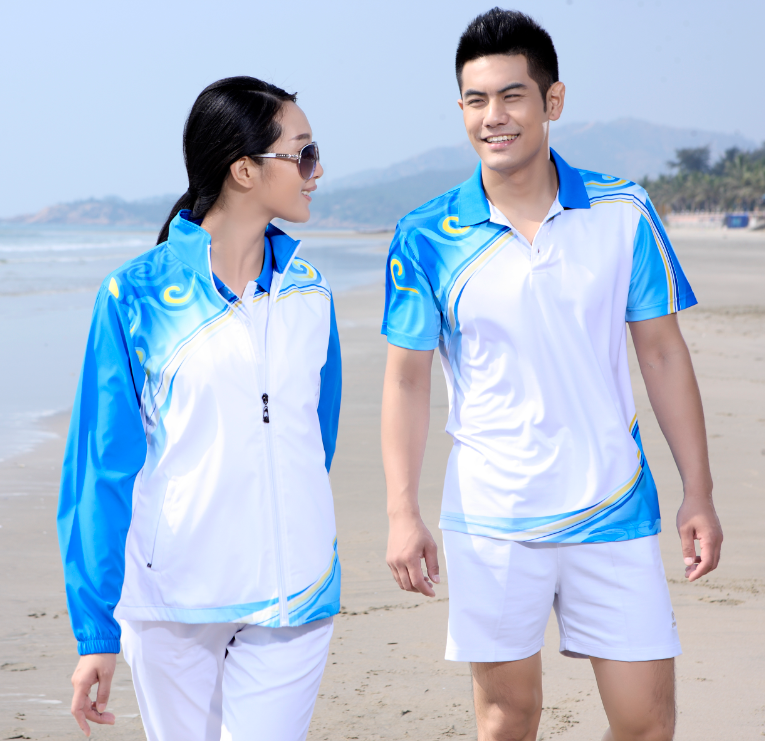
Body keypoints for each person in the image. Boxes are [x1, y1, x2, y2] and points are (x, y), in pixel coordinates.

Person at [380, 9, 722, 741]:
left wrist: (698, 489)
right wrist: (401, 511)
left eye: (512, 96)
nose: (493, 117)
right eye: (475, 100)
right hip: (492, 517)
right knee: (508, 719)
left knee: (646, 723)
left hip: (612, 504)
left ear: (551, 101)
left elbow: (662, 353)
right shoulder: (425, 234)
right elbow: (406, 380)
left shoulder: (623, 210)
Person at [56, 76, 342, 741]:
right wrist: (96, 632)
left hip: (295, 594)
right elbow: (100, 469)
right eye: (302, 153)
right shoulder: (135, 297)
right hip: (173, 604)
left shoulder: (311, 293)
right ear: (244, 170)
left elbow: (314, 439)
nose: (317, 170)